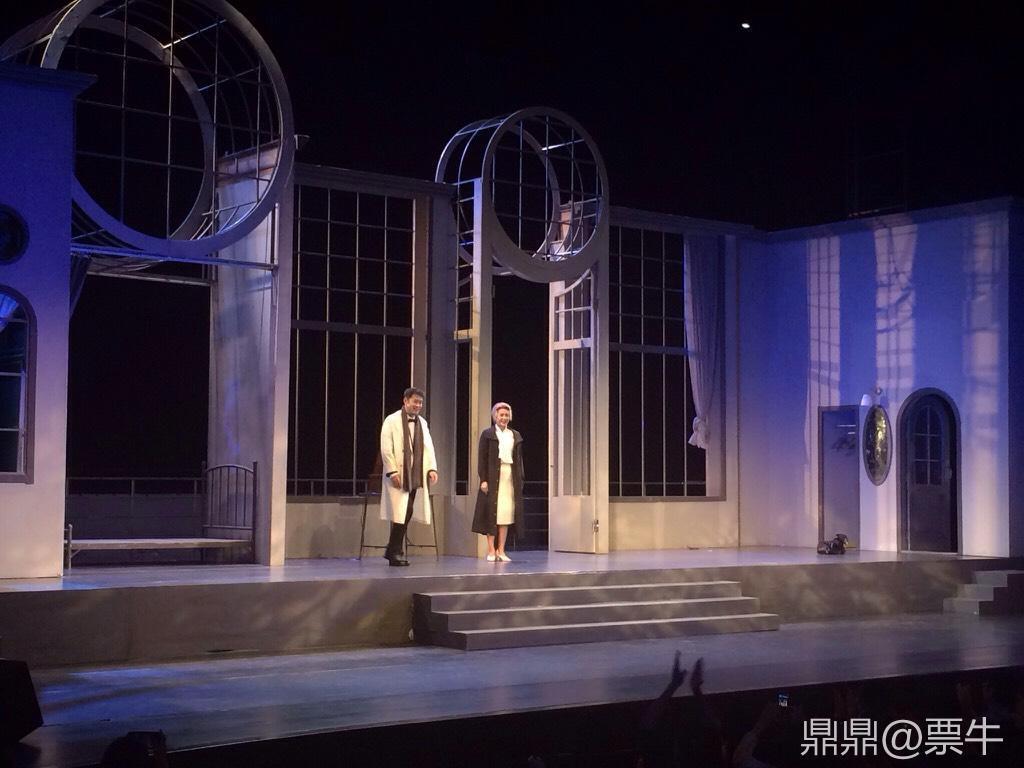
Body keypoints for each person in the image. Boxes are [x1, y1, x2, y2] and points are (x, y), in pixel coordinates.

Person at [379, 387, 438, 566]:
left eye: (420, 403)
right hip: (399, 473)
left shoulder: (422, 423)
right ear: (405, 401)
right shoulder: (392, 420)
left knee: (406, 511)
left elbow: (428, 447)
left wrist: (432, 469)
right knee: (403, 511)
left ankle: (392, 550)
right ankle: (394, 551)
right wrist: (392, 471)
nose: (418, 405)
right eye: (415, 402)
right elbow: (386, 448)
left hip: (415, 474)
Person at [471, 402, 524, 562]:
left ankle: (501, 550)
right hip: (493, 477)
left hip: (509, 477)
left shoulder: (514, 435)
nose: (504, 418)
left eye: (506, 415)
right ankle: (491, 550)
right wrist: (483, 479)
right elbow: (482, 459)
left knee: (505, 514)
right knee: (491, 513)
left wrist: (520, 479)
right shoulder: (488, 434)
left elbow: (519, 459)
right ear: (495, 416)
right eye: (501, 415)